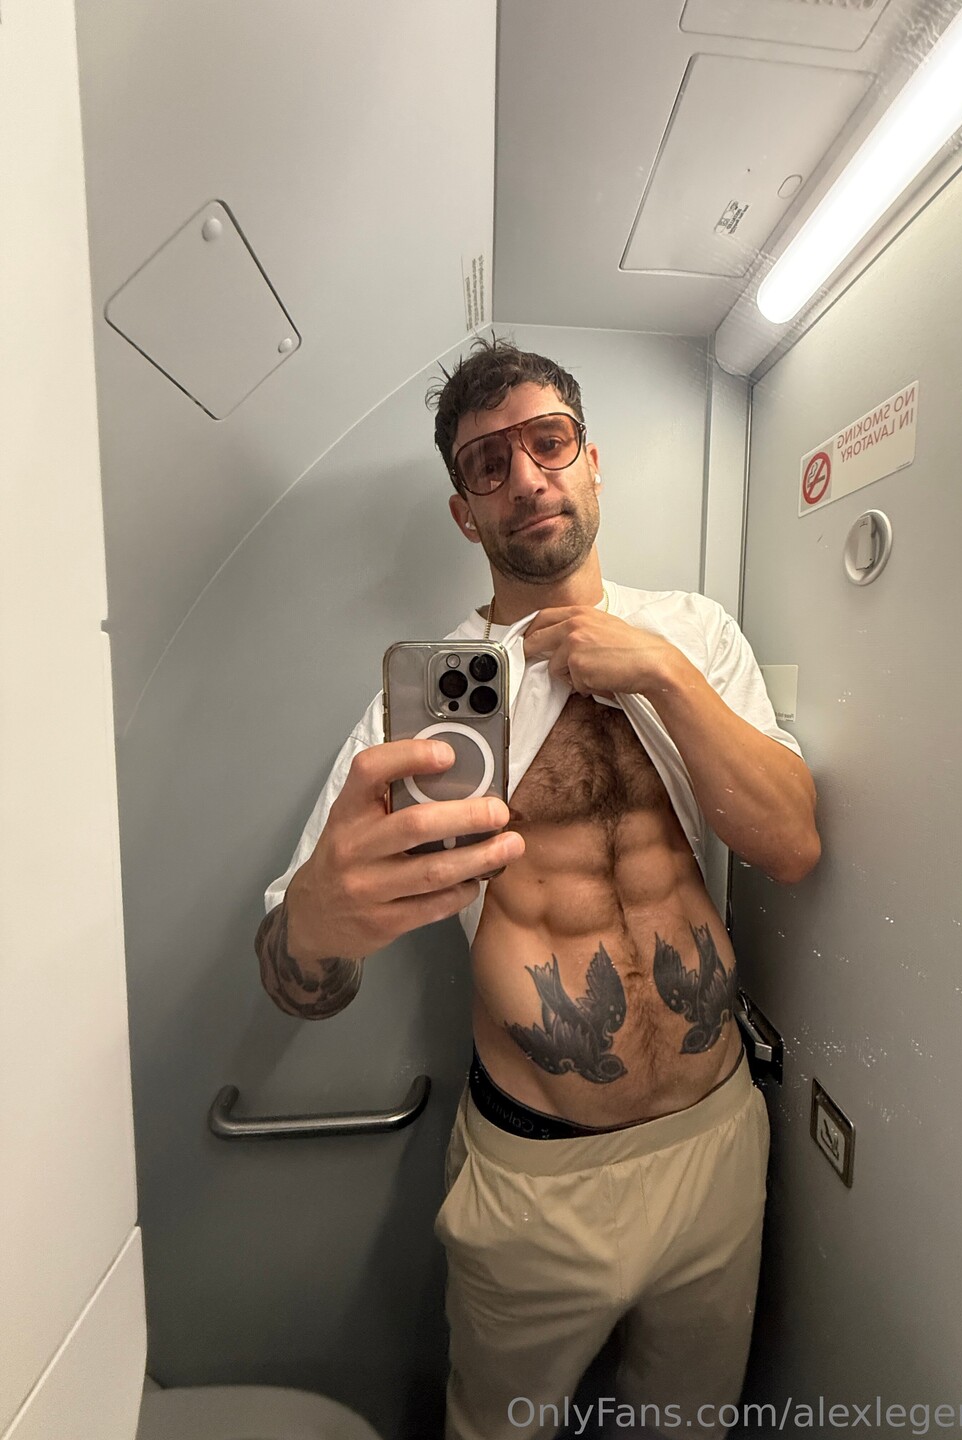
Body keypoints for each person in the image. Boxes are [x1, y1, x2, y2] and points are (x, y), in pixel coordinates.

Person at [256, 336, 820, 1440]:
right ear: (465, 512)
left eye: (548, 442)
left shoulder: (694, 633)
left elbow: (790, 845)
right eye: (488, 463)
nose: (525, 477)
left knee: (691, 1427)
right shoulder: (421, 711)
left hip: (717, 1139)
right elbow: (292, 975)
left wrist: (657, 671)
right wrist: (316, 922)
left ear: (590, 461)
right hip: (536, 1181)